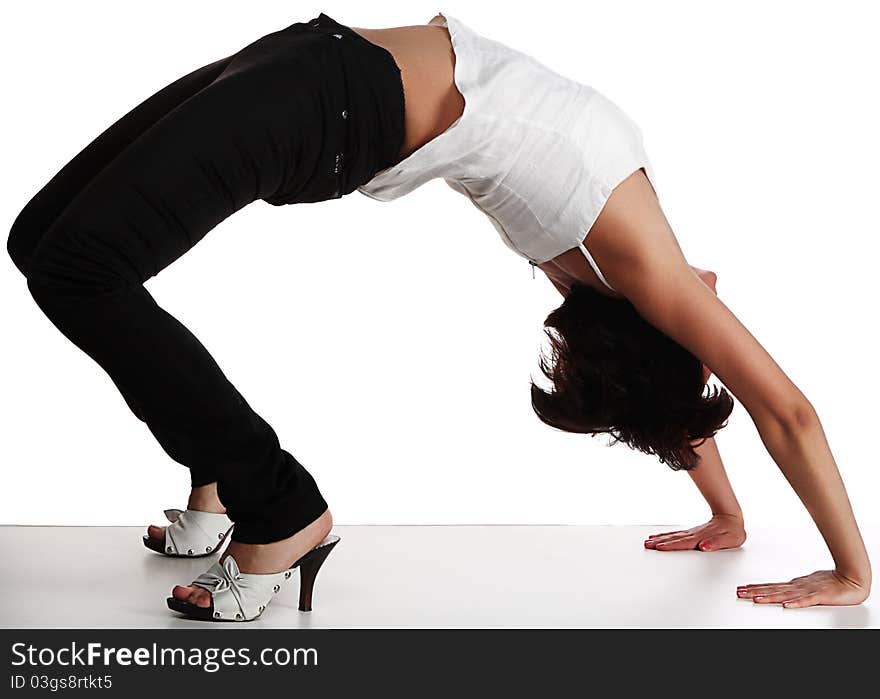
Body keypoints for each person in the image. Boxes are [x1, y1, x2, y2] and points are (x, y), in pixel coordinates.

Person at [6, 12, 870, 621]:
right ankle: (244, 489)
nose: (717, 313)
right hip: (318, 70)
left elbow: (732, 402)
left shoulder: (626, 263)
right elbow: (730, 404)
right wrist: (791, 544)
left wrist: (790, 543)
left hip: (328, 96)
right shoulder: (630, 266)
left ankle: (262, 496)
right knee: (43, 241)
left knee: (77, 267)